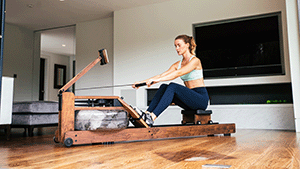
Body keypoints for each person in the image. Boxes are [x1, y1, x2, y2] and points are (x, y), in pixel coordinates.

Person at [132, 35, 209, 126]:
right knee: (164, 87)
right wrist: (141, 83)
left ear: (187, 45)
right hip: (189, 100)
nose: (177, 48)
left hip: (200, 99)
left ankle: (152, 117)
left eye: (179, 45)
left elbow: (178, 73)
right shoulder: (178, 64)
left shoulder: (195, 61)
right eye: (175, 46)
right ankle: (147, 114)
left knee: (173, 86)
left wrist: (158, 79)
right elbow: (162, 75)